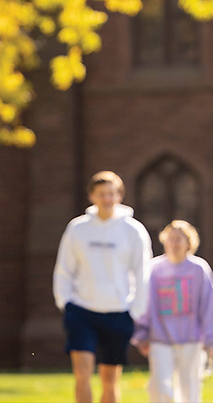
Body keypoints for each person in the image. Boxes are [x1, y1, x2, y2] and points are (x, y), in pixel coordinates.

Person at [53, 171, 150, 403]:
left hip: (118, 313)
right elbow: (64, 269)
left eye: (111, 193)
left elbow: (142, 272)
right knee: (82, 373)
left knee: (110, 379)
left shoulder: (133, 230)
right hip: (81, 312)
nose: (107, 198)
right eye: (101, 194)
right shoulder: (78, 228)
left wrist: (135, 310)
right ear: (92, 196)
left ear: (119, 196)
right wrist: (65, 302)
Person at [131, 220, 213, 403]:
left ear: (189, 243)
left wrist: (212, 339)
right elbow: (143, 302)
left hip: (191, 340)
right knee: (160, 388)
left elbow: (210, 304)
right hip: (159, 339)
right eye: (170, 239)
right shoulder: (153, 268)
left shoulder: (199, 268)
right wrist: (141, 334)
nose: (174, 244)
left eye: (179, 239)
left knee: (189, 389)